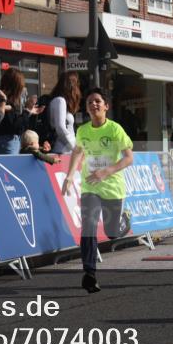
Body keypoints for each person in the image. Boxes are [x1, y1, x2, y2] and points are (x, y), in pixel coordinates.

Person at [62, 88, 134, 293]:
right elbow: (77, 151)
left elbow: (129, 158)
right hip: (90, 186)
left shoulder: (114, 129)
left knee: (112, 234)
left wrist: (106, 171)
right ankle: (90, 273)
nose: (93, 105)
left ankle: (124, 219)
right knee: (89, 226)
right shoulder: (83, 130)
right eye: (90, 102)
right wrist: (69, 175)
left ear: (106, 106)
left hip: (112, 187)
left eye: (97, 102)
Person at [0, 68, 42, 154]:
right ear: (16, 87)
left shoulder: (0, 98)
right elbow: (16, 127)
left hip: (2, 142)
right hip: (6, 144)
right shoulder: (5, 100)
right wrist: (27, 111)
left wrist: (29, 112)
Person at [45, 72, 81, 155]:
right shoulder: (60, 101)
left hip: (64, 148)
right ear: (71, 85)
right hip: (63, 149)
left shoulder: (57, 100)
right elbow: (60, 128)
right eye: (76, 84)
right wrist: (75, 147)